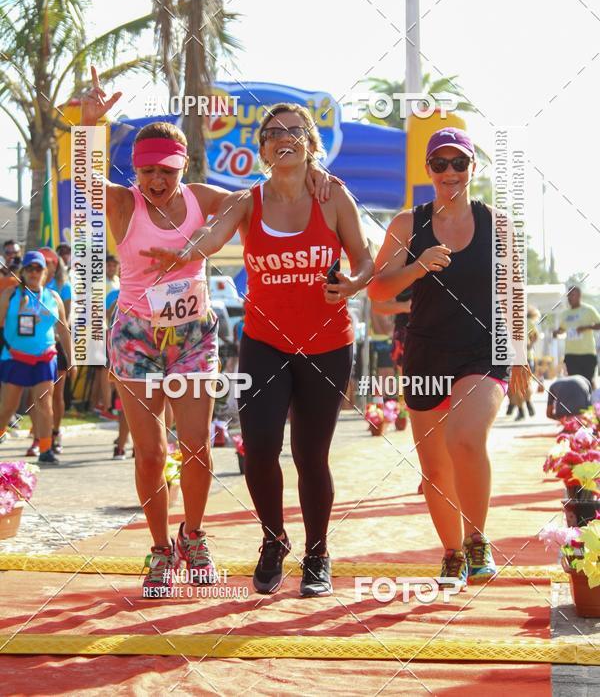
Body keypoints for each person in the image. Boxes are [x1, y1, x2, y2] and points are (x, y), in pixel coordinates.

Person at [81, 70, 336, 598]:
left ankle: (193, 537)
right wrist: (89, 124)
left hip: (194, 333)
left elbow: (264, 198)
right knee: (150, 452)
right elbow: (83, 175)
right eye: (148, 171)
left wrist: (313, 175)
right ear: (136, 170)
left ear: (183, 168)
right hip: (135, 334)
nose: (158, 181)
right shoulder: (123, 204)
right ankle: (158, 551)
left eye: (167, 171)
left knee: (196, 445)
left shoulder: (201, 197)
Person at [143, 102, 374, 597]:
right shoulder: (248, 201)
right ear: (263, 149)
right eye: (272, 133)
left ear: (310, 143)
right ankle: (274, 540)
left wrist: (352, 283)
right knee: (260, 448)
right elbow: (212, 233)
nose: (283, 138)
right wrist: (184, 252)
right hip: (264, 343)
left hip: (327, 345)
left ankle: (317, 555)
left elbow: (365, 257)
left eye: (294, 131)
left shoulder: (333, 198)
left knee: (312, 455)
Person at [368, 127, 529, 589]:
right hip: (425, 354)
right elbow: (377, 291)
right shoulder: (406, 224)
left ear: (473, 168)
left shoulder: (497, 224)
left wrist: (518, 356)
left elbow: (513, 294)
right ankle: (452, 552)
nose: (450, 172)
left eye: (459, 163)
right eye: (440, 164)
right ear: (428, 170)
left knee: (465, 437)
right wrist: (418, 266)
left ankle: (478, 540)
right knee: (435, 469)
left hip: (484, 351)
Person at [0, 251, 73, 464]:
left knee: (44, 403)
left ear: (45, 272)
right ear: (22, 271)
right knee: (8, 407)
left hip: (45, 356)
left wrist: (71, 358)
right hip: (15, 357)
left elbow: (63, 329)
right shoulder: (10, 295)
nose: (34, 272)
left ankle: (45, 449)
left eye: (38, 269)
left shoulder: (53, 297)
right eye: (30, 268)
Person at [39, 248, 71, 454]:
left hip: (57, 343)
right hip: (37, 344)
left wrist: (70, 355)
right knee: (40, 394)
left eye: (49, 262)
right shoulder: (29, 285)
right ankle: (40, 437)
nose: (45, 266)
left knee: (57, 394)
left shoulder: (63, 287)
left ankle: (56, 432)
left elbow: (64, 319)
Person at [553, 287, 600, 387]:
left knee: (588, 382)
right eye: (568, 295)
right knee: (575, 384)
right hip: (571, 354)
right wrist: (557, 332)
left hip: (587, 354)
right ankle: (577, 403)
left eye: (572, 295)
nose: (569, 298)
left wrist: (587, 327)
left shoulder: (588, 310)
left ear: (579, 296)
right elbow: (562, 330)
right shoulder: (565, 314)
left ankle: (591, 402)